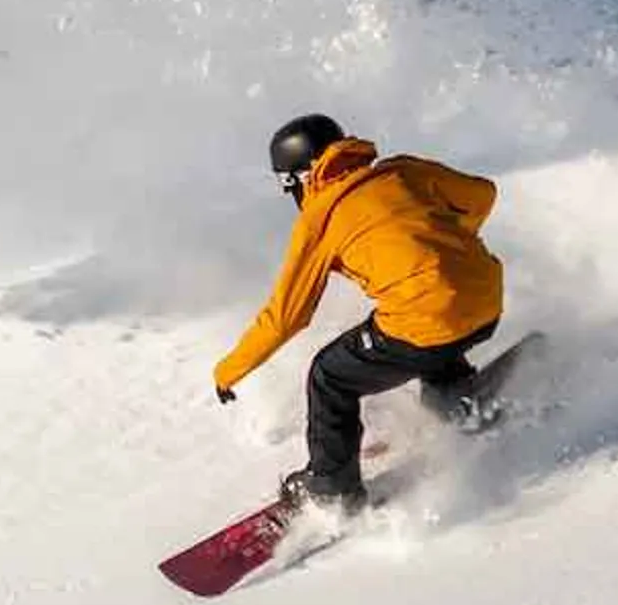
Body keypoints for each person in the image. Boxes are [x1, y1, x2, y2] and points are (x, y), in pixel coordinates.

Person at [213, 113, 504, 512]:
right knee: (417, 324)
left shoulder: (320, 220)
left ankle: (332, 488)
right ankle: (457, 398)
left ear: (300, 177)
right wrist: (443, 243)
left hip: (428, 317)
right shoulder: (402, 171)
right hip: (486, 297)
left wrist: (229, 371)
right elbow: (483, 194)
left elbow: (287, 316)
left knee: (329, 376)